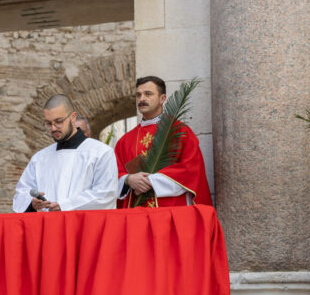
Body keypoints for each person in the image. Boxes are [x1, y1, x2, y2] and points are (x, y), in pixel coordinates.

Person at [115, 76, 213, 208]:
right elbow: (113, 176)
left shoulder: (180, 132)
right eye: (138, 95)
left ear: (162, 98)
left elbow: (191, 170)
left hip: (170, 211)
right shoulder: (125, 141)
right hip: (137, 213)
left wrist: (151, 181)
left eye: (148, 94)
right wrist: (128, 180)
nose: (142, 99)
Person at [12, 94, 118, 212]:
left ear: (73, 117)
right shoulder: (40, 158)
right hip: (48, 223)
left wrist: (64, 205)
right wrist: (32, 203)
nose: (53, 128)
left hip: (83, 223)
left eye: (58, 122)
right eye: (48, 123)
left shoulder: (101, 153)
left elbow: (105, 194)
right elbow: (22, 192)